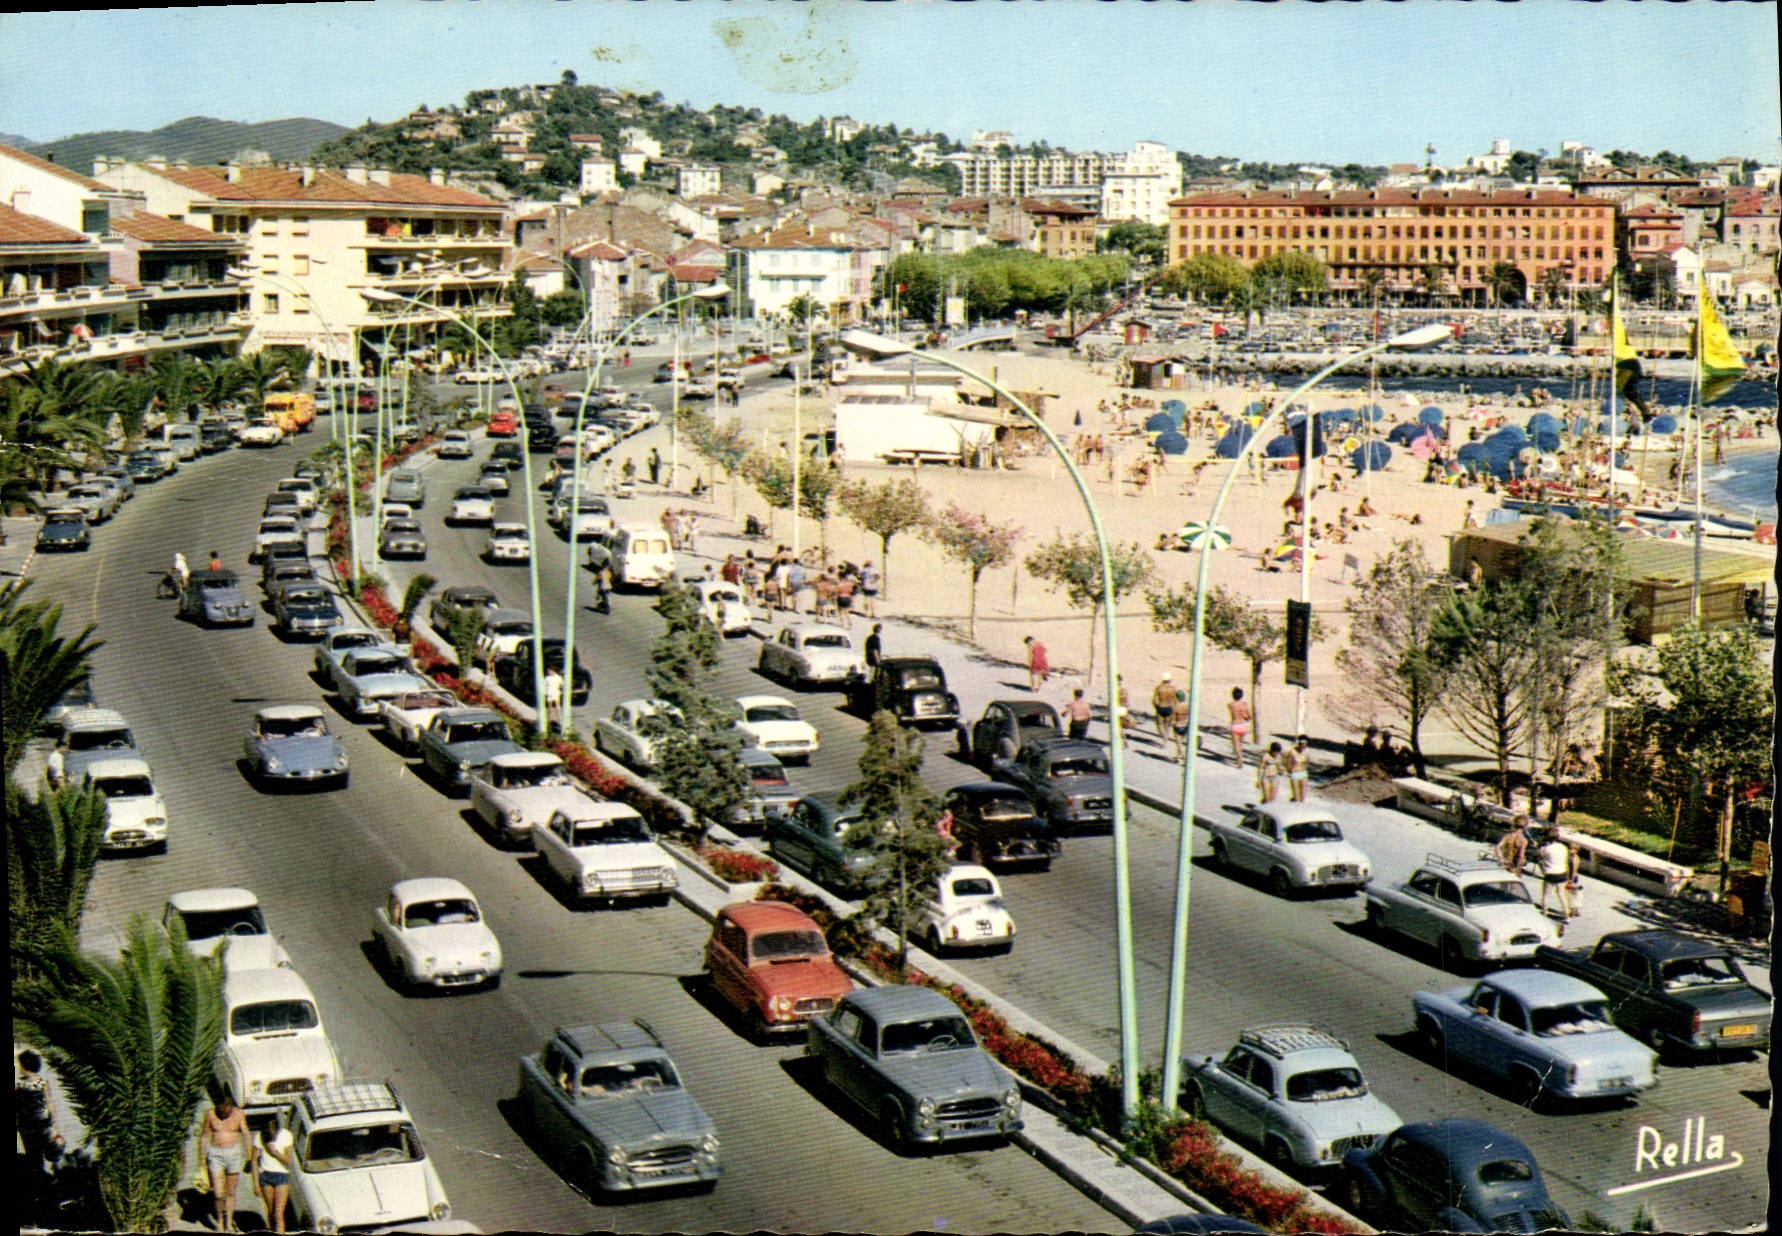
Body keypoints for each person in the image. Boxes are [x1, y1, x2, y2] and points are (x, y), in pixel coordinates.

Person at [200, 1091, 249, 1233]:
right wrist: (201, 1160)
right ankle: (220, 1221)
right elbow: (203, 1136)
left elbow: (245, 1133)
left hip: (233, 1154)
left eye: (225, 1112)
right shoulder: (210, 1114)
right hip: (216, 1154)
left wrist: (247, 1156)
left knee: (230, 1191)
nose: (223, 1115)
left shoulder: (238, 1114)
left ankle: (228, 1222)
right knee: (218, 1193)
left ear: (230, 1107)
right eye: (220, 1112)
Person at [252, 1110, 294, 1234]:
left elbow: (289, 1161)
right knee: (270, 1211)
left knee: (278, 1213)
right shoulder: (259, 1136)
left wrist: (275, 1153)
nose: (272, 1138)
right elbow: (254, 1160)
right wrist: (255, 1184)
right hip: (265, 1175)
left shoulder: (286, 1135)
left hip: (281, 1175)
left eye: (274, 1136)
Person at [1535, 828, 1577, 918]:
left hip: (1550, 874)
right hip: (1562, 873)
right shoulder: (1563, 847)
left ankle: (1544, 913)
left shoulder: (1545, 849)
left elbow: (1538, 856)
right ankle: (1566, 915)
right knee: (1561, 894)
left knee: (1545, 895)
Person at [1496, 814, 1531, 879]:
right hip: (1515, 867)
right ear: (1525, 826)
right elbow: (1520, 856)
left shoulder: (1508, 836)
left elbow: (1498, 847)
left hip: (1505, 864)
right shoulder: (1523, 840)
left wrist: (1501, 858)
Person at [1226, 687, 1251, 766]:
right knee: (1240, 743)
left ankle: (1239, 759)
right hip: (1242, 725)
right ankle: (1240, 757)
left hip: (1235, 724)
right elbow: (1249, 717)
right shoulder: (1245, 705)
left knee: (1236, 744)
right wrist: (1245, 717)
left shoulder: (1230, 705)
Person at [1286, 736, 1310, 802]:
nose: (1302, 746)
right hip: (1295, 773)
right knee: (1296, 796)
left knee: (1302, 797)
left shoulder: (1306, 751)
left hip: (1302, 773)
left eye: (1304, 745)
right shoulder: (1292, 752)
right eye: (1301, 744)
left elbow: (1307, 761)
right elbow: (1288, 763)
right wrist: (1291, 770)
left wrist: (1304, 767)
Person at [1151, 673, 1176, 740]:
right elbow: (1175, 700)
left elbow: (1154, 699)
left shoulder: (1159, 688)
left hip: (1161, 707)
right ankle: (1166, 739)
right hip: (1169, 707)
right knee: (1167, 726)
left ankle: (1164, 737)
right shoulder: (1173, 688)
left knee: (1159, 725)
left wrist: (1156, 707)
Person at [1170, 689, 1191, 763]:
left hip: (1178, 726)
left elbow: (1173, 718)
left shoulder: (1175, 707)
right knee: (1181, 742)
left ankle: (1184, 758)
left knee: (1178, 744)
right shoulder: (1188, 707)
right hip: (1185, 725)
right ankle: (1177, 756)